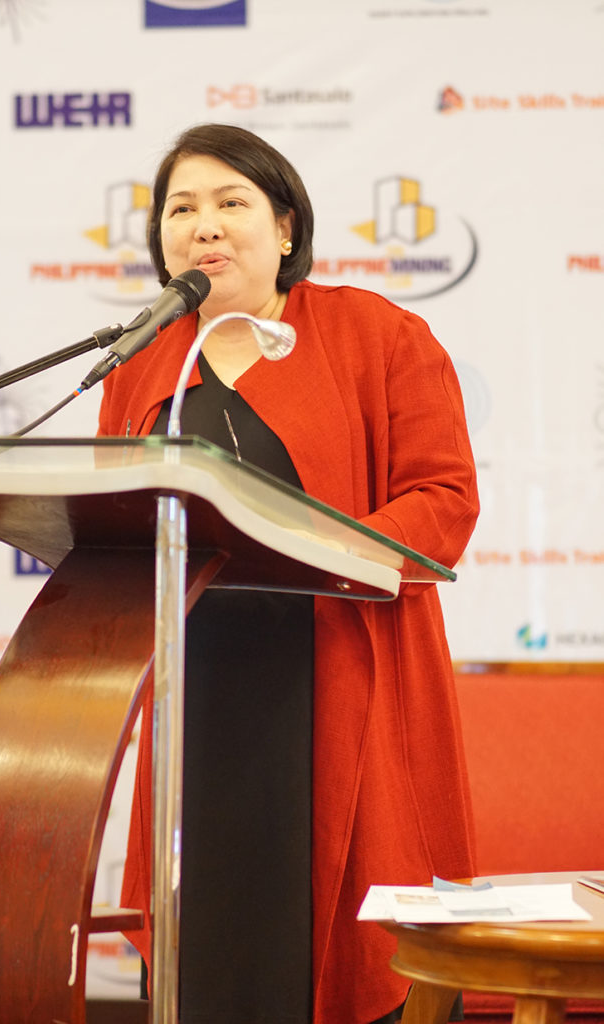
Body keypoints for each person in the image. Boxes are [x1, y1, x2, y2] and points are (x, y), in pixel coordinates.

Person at [97, 123, 480, 1024]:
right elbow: (112, 520)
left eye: (231, 202)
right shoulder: (141, 362)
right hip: (196, 697)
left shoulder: (374, 334)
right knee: (209, 949)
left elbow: (443, 498)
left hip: (336, 675)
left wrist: (325, 552)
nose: (204, 225)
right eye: (181, 209)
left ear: (284, 228)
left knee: (349, 941)